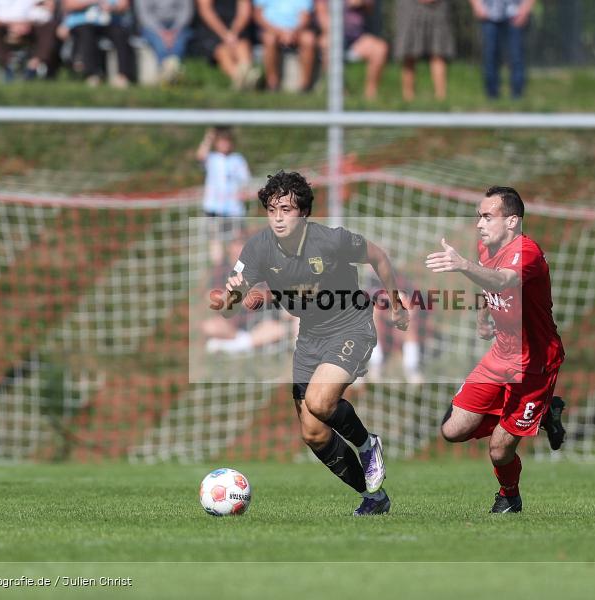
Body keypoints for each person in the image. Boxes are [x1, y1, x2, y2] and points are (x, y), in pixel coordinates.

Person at [216, 170, 409, 515]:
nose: (278, 218)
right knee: (314, 433)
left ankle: (367, 444)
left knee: (320, 402)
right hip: (309, 336)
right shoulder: (258, 248)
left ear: (303, 212)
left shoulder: (330, 241)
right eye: (272, 210)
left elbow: (378, 256)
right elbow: (229, 310)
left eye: (286, 209)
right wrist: (233, 295)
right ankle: (374, 498)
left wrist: (395, 303)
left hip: (351, 326)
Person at [425, 186, 566, 514]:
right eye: (479, 217)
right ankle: (540, 412)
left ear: (512, 221)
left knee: (499, 451)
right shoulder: (486, 247)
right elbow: (487, 283)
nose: (479, 224)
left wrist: (461, 264)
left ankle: (509, 497)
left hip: (534, 365)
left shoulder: (527, 252)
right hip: (500, 355)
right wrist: (482, 318)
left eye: (488, 217)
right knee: (452, 430)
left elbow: (502, 280)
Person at [197, 126, 251, 263]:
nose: (224, 144)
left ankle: (236, 272)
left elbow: (245, 181)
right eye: (221, 141)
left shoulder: (238, 159)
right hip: (214, 208)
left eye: (227, 141)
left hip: (234, 209)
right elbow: (200, 155)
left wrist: (243, 192)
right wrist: (209, 137)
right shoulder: (212, 158)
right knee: (216, 246)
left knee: (237, 245)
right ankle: (219, 271)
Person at [315, 0, 388, 100]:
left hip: (357, 38)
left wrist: (362, 2)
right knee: (327, 44)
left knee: (380, 49)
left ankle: (370, 95)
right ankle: (340, 92)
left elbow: (371, 8)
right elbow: (322, 18)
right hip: (333, 35)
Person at [469, 0, 535, 100]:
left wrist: (525, 9)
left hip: (515, 12)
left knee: (516, 55)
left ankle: (517, 95)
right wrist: (477, 5)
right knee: (490, 55)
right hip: (489, 13)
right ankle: (491, 95)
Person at [63, 0, 137, 87]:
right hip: (83, 23)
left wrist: (112, 8)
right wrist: (91, 2)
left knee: (120, 34)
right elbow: (68, 5)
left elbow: (124, 5)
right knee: (87, 34)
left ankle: (123, 75)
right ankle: (91, 74)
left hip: (110, 21)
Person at [0, 0, 58, 80]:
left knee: (50, 26)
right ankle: (9, 64)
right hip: (2, 25)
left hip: (30, 24)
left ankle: (33, 65)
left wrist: (27, 24)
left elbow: (49, 9)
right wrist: (12, 25)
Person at [394, 0, 455, 101]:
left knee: (439, 51)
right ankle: (408, 99)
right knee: (408, 53)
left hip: (438, 6)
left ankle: (441, 98)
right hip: (409, 5)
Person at [252, 0, 316, 92]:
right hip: (272, 30)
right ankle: (272, 84)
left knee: (309, 39)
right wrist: (280, 32)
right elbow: (258, 15)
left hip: (297, 31)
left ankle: (305, 85)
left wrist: (292, 32)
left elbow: (305, 17)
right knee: (269, 39)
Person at [196, 0, 258, 90]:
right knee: (222, 51)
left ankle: (245, 74)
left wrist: (234, 32)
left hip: (237, 30)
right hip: (213, 30)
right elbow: (205, 10)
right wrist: (224, 34)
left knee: (243, 45)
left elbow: (244, 12)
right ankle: (241, 77)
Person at [134, 0, 193, 84]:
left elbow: (186, 11)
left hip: (178, 26)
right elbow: (144, 15)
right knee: (160, 44)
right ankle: (167, 74)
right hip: (152, 26)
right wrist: (161, 32)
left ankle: (172, 74)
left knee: (178, 43)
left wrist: (174, 30)